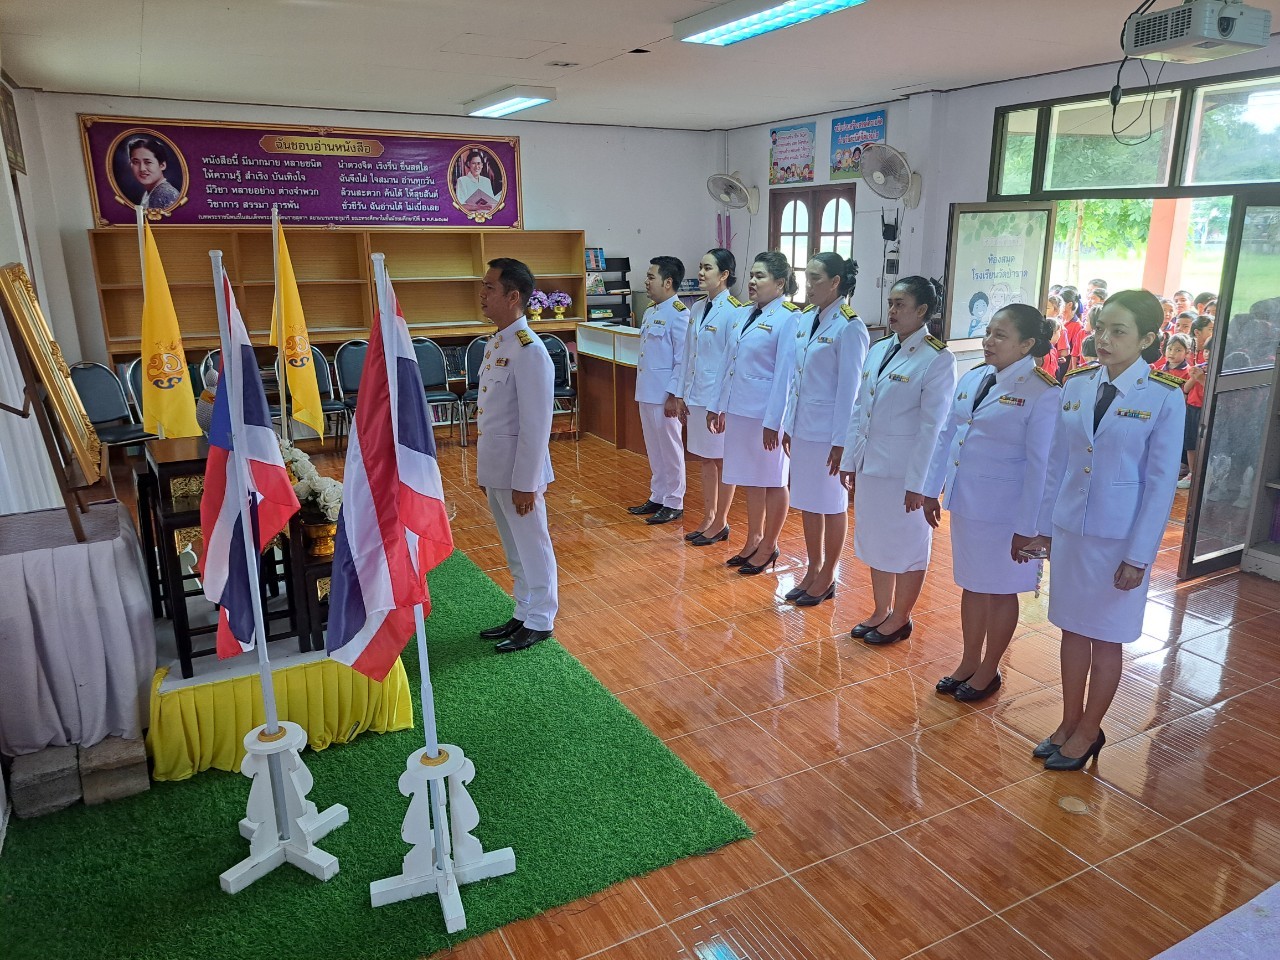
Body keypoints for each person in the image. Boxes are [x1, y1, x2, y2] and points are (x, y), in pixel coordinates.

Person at [1020, 290, 1185, 770]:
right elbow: (1057, 464)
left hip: (1119, 540)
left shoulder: (1163, 395)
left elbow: (1161, 485)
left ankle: (1090, 730)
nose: (1104, 339)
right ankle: (1069, 721)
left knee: (1106, 636)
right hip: (1071, 530)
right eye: (1101, 328)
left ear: (1147, 339)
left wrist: (1139, 556)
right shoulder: (1076, 384)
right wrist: (1044, 528)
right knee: (1072, 630)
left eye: (1118, 331)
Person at [922, 305, 1060, 700]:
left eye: (1000, 335)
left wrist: (1029, 528)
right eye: (988, 332)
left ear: (1027, 344)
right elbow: (948, 434)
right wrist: (931, 488)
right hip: (969, 503)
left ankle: (989, 668)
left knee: (1001, 589)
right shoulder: (975, 376)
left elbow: (1043, 468)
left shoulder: (1043, 393)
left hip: (1008, 514)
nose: (989, 341)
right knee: (973, 584)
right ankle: (969, 660)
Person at [840, 276, 957, 644]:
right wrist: (849, 459)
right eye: (890, 303)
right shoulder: (880, 349)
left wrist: (922, 484)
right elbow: (859, 408)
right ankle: (880, 610)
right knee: (876, 541)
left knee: (908, 545)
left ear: (921, 311)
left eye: (900, 304)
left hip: (905, 473)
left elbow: (934, 428)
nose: (891, 310)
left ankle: (902, 616)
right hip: (872, 464)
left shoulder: (937, 358)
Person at [475, 257, 559, 652]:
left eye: (490, 287)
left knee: (533, 544)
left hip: (520, 472)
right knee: (514, 548)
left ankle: (541, 619)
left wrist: (525, 483)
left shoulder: (530, 350)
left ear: (513, 297)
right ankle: (524, 609)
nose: (482, 293)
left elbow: (536, 425)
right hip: (498, 466)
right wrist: (487, 472)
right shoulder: (498, 342)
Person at [782, 253, 868, 606]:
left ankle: (829, 573)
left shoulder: (850, 327)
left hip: (829, 433)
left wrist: (842, 442)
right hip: (804, 428)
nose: (809, 284)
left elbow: (851, 391)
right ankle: (812, 566)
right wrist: (789, 424)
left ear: (835, 282)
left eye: (816, 278)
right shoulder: (807, 318)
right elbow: (796, 379)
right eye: (808, 276)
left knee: (832, 503)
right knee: (808, 502)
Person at [707, 251, 799, 576]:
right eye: (751, 275)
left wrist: (775, 421)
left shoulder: (789, 318)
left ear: (780, 283)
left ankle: (770, 544)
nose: (752, 281)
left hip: (765, 415)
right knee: (751, 478)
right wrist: (716, 405)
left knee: (773, 479)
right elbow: (727, 363)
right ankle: (753, 539)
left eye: (760, 276)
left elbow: (786, 375)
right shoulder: (745, 313)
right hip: (740, 410)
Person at [675, 249, 748, 546]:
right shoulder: (696, 308)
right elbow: (688, 355)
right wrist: (681, 394)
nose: (701, 273)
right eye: (700, 267)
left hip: (717, 400)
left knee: (722, 461)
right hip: (696, 395)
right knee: (705, 459)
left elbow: (732, 363)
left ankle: (721, 521)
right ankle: (709, 516)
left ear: (724, 274)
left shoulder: (735, 311)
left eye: (707, 268)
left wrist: (723, 405)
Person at [627, 256, 690, 525]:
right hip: (647, 391)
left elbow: (682, 360)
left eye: (651, 277)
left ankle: (674, 501)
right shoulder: (651, 311)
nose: (646, 281)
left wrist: (674, 395)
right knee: (654, 448)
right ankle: (658, 495)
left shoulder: (680, 314)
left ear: (668, 282)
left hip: (665, 395)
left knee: (671, 449)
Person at [127, 136, 180, 211]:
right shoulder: (150, 192)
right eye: (136, 162)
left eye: (148, 162)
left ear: (162, 165)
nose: (142, 168)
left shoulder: (164, 195)